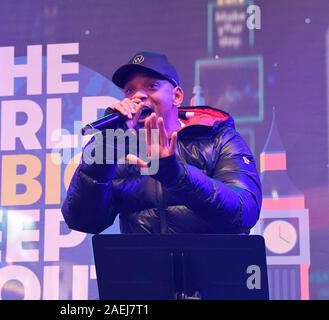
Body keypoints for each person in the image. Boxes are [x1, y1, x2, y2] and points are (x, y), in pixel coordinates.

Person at [61, 51, 262, 234]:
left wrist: (176, 175)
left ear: (176, 96)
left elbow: (244, 211)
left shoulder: (218, 138)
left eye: (151, 86)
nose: (138, 96)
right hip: (145, 273)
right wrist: (107, 144)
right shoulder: (120, 150)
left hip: (213, 271)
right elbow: (83, 220)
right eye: (130, 90)